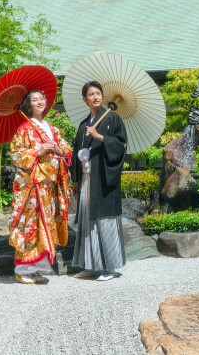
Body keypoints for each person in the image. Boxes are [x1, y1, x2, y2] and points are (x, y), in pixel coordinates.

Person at [8, 90, 72, 284]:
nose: (39, 102)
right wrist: (39, 150)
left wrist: (57, 149)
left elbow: (67, 150)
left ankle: (35, 268)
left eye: (41, 98)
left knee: (46, 223)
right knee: (31, 223)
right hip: (33, 184)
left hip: (49, 184)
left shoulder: (52, 128)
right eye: (34, 99)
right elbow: (15, 154)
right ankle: (22, 269)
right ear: (29, 104)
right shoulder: (25, 128)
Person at [70, 80, 128, 281]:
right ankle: (90, 264)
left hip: (103, 179)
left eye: (98, 93)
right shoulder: (83, 123)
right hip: (86, 179)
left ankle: (110, 268)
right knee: (87, 221)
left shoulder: (112, 119)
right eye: (91, 94)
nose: (95, 97)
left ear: (102, 96)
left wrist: (100, 136)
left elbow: (120, 146)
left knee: (105, 220)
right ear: (84, 99)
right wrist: (76, 180)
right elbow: (76, 152)